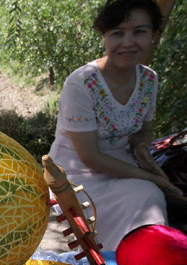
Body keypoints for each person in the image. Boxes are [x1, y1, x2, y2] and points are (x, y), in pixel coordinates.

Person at [48, 0, 183, 251]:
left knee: (150, 196)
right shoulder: (82, 83)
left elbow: (143, 130)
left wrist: (142, 151)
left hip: (124, 168)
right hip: (77, 175)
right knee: (150, 194)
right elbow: (89, 157)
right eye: (117, 33)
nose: (128, 42)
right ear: (104, 38)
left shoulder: (148, 79)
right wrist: (156, 180)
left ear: (153, 35)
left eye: (140, 32)